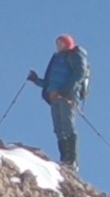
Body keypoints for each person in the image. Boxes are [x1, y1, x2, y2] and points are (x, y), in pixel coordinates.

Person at [27, 34, 90, 169]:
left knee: (67, 126)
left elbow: (80, 72)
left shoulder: (74, 55)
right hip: (55, 97)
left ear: (67, 43)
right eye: (57, 43)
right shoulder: (58, 58)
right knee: (58, 128)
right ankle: (65, 159)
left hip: (67, 97)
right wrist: (36, 80)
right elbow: (50, 82)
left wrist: (69, 89)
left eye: (61, 43)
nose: (58, 45)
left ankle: (72, 160)